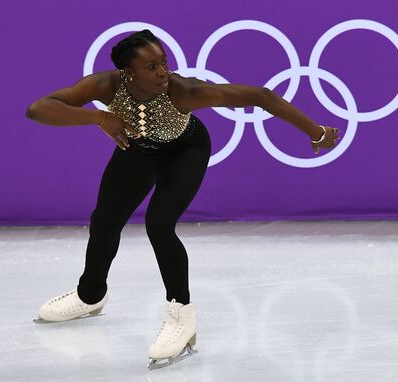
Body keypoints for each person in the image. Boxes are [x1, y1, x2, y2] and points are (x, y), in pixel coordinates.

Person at [25, 29, 340, 368]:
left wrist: (317, 132)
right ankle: (90, 295)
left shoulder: (183, 91)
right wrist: (99, 116)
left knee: (159, 224)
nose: (162, 73)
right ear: (128, 73)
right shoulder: (106, 86)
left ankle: (181, 316)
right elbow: (38, 109)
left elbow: (260, 96)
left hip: (185, 150)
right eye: (151, 67)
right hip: (138, 150)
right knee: (104, 221)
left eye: (164, 63)